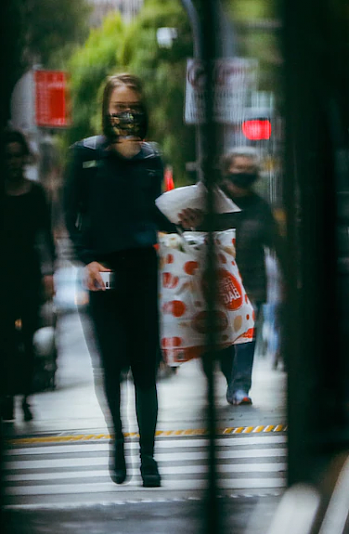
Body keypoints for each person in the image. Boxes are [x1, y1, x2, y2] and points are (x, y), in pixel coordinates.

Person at [63, 73, 178, 487]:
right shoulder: (86, 156)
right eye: (118, 108)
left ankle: (149, 458)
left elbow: (158, 213)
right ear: (106, 111)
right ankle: (118, 443)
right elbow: (70, 215)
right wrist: (87, 260)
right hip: (103, 276)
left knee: (146, 369)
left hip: (144, 273)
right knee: (111, 366)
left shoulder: (152, 158)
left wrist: (185, 218)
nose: (125, 115)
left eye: (132, 107)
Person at [179, 147, 281, 405]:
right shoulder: (210, 203)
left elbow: (278, 244)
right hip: (215, 285)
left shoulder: (261, 207)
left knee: (246, 337)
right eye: (238, 170)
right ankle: (229, 378)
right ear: (226, 172)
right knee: (221, 341)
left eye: (249, 170)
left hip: (251, 285)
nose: (244, 175)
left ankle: (240, 387)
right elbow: (190, 239)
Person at [1, 130, 56, 422]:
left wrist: (49, 274)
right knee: (7, 340)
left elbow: (46, 238)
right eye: (7, 156)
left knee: (29, 336)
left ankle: (25, 396)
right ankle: (8, 395)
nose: (13, 162)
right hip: (3, 277)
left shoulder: (35, 194)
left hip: (28, 276)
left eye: (17, 155)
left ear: (25, 158)